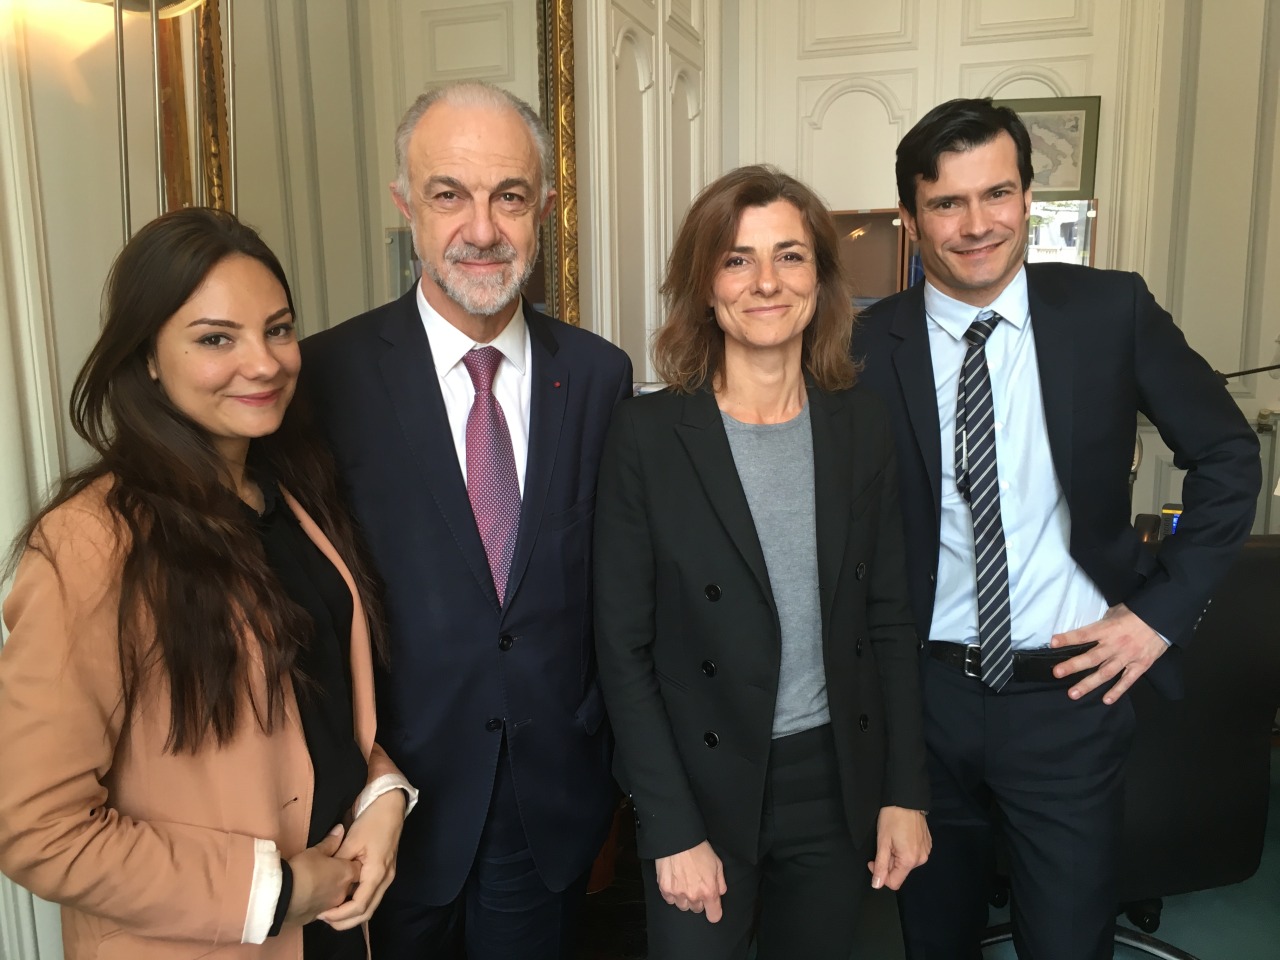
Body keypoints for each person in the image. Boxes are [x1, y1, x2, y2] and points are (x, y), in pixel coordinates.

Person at [852, 98, 1262, 959]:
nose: (976, 226)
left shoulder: (1109, 311)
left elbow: (1229, 456)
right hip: (922, 703)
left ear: (1028, 197)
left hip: (1070, 694)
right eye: (946, 203)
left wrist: (1156, 617)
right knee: (934, 940)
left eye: (996, 194)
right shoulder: (861, 345)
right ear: (910, 216)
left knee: (1070, 946)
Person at [0, 207, 415, 959]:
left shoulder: (288, 497)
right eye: (216, 339)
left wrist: (383, 799)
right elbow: (34, 826)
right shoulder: (92, 545)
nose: (263, 362)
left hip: (334, 929)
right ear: (148, 357)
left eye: (279, 329)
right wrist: (281, 890)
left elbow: (309, 712)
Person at [299, 81, 632, 960]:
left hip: (546, 801)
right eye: (449, 194)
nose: (481, 229)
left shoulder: (598, 377)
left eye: (509, 197)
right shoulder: (321, 381)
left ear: (545, 210)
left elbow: (611, 584)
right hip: (384, 811)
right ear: (406, 204)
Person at [593, 165, 932, 960]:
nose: (766, 282)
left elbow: (889, 620)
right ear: (704, 285)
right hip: (700, 784)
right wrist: (669, 823)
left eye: (790, 255)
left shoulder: (862, 425)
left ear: (819, 277)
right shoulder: (645, 438)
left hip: (835, 775)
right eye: (737, 259)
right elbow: (623, 649)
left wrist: (903, 792)